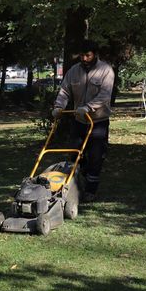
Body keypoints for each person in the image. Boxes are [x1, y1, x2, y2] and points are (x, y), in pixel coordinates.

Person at [51, 40, 115, 201]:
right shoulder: (74, 71)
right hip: (79, 121)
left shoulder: (106, 71)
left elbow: (105, 95)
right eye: (82, 55)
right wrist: (58, 107)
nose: (85, 58)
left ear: (95, 55)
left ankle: (90, 191)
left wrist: (88, 107)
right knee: (75, 154)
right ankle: (74, 186)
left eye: (88, 55)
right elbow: (65, 91)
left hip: (98, 121)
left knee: (95, 156)